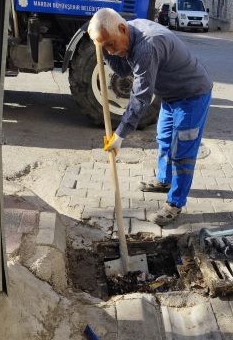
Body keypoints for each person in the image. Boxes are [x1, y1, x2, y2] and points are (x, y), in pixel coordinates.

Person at [88, 8, 213, 226]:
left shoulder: (147, 45)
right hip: (171, 95)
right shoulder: (128, 32)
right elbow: (124, 70)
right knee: (164, 138)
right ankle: (165, 180)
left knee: (182, 151)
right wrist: (106, 51)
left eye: (110, 44)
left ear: (121, 28)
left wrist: (120, 134)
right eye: (104, 46)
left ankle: (175, 203)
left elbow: (141, 96)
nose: (109, 49)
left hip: (192, 94)